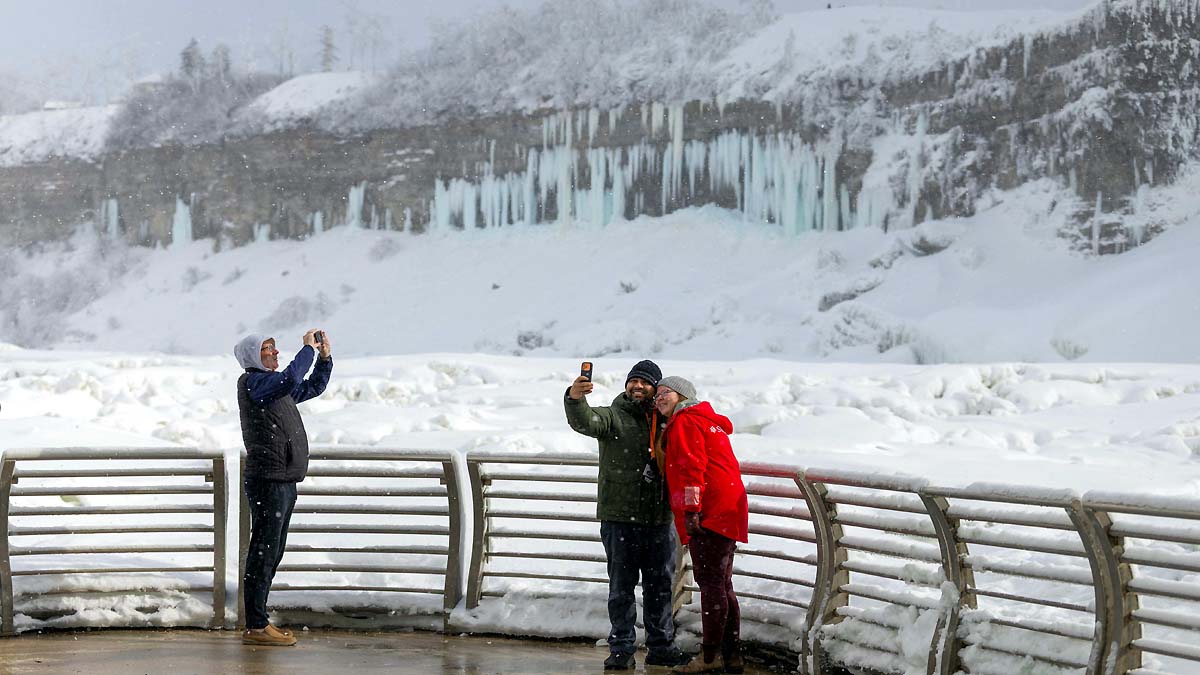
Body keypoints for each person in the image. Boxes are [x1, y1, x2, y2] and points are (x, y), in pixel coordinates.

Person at [564, 360, 688, 671]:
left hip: (659, 518)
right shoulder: (613, 416)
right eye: (633, 381)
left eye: (645, 383)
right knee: (621, 587)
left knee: (659, 586)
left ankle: (661, 646)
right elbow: (586, 421)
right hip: (619, 517)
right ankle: (621, 648)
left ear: (656, 389)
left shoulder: (667, 420)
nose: (638, 387)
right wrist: (575, 398)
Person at [234, 329, 333, 646]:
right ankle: (256, 625)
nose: (275, 353)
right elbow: (291, 379)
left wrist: (323, 358)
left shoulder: (275, 389)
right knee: (263, 552)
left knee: (272, 551)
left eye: (275, 348)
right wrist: (305, 350)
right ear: (253, 357)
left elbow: (312, 386)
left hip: (283, 480)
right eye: (268, 349)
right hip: (268, 481)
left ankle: (259, 621)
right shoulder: (256, 384)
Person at [654, 376, 748, 675]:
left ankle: (709, 658)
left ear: (682, 396)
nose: (658, 398)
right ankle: (732, 655)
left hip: (710, 512)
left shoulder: (685, 422)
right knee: (723, 585)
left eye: (664, 392)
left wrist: (692, 511)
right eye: (656, 394)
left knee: (710, 585)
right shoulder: (708, 421)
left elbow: (691, 467)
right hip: (729, 508)